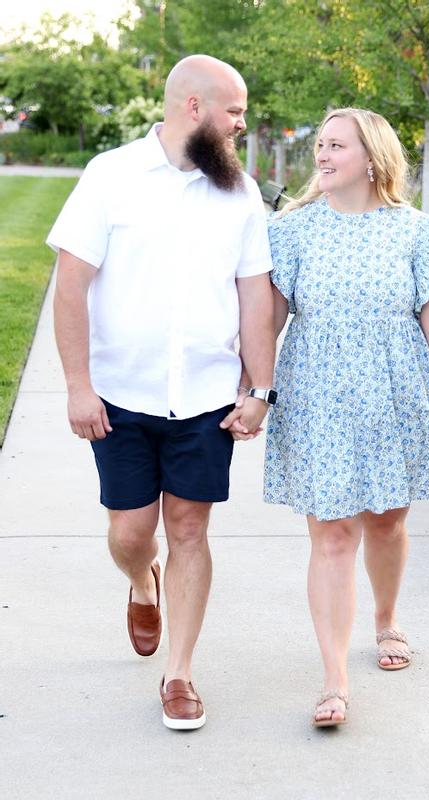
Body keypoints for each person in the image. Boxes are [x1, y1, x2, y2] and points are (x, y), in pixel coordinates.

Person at [48, 54, 276, 731]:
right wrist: (78, 387)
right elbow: (70, 286)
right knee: (130, 531)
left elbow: (254, 295)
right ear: (194, 108)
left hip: (205, 398)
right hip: (119, 395)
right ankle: (139, 580)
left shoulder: (239, 191)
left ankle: (179, 674)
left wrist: (259, 387)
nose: (242, 122)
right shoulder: (110, 177)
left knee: (188, 529)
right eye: (234, 110)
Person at [263, 108, 429, 726]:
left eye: (336, 145)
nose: (322, 155)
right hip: (319, 390)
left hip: (395, 389)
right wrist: (253, 386)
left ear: (372, 157)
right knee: (332, 534)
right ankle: (334, 680)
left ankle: (386, 621)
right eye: (320, 145)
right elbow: (271, 319)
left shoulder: (416, 232)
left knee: (385, 523)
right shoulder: (294, 230)